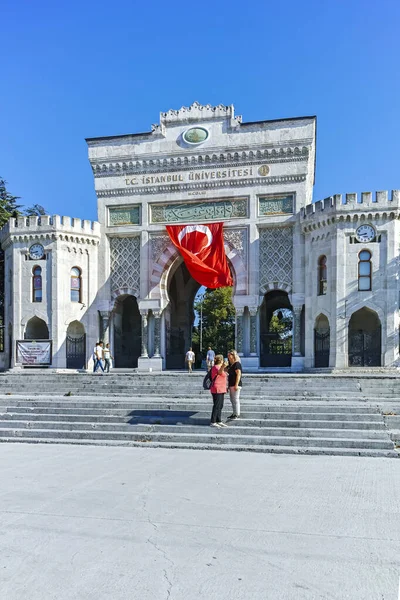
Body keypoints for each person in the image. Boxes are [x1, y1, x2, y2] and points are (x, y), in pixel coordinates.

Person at [209, 355, 229, 428]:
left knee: (220, 405)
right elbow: (220, 372)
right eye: (223, 359)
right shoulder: (216, 367)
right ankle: (213, 421)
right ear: (220, 360)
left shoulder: (221, 367)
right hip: (217, 388)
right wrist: (223, 366)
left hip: (222, 388)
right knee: (217, 405)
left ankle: (218, 420)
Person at [227, 349, 242, 420]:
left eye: (230, 354)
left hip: (236, 384)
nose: (228, 356)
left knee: (236, 399)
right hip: (231, 384)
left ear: (233, 355)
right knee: (232, 399)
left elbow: (238, 374)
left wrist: (236, 384)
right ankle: (234, 413)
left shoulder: (237, 364)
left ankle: (237, 414)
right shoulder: (231, 365)